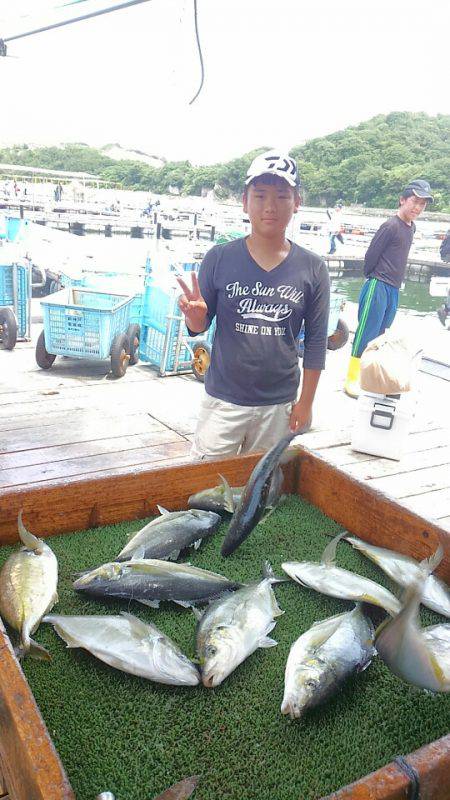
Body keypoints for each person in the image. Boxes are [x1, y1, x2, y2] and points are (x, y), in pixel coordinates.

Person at [176, 150, 330, 460]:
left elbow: (315, 344)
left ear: (297, 202)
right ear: (245, 201)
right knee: (205, 486)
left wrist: (306, 403)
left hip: (279, 404)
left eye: (282, 196)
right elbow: (199, 326)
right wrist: (194, 318)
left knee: (262, 491)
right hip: (223, 400)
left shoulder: (313, 268)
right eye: (260, 196)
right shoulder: (219, 258)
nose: (270, 206)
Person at [344, 179, 434, 397]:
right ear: (402, 200)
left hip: (394, 288)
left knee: (381, 336)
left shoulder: (411, 228)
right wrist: (374, 278)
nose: (417, 207)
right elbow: (370, 257)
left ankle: (371, 377)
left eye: (422, 204)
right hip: (378, 284)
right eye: (414, 201)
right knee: (366, 332)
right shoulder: (390, 225)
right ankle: (352, 378)